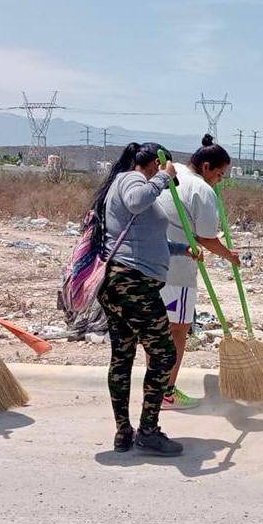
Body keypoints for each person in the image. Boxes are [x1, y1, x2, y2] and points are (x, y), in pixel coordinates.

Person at [94, 142, 201, 456]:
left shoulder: (129, 182)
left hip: (122, 282)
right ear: (157, 161)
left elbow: (144, 240)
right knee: (165, 354)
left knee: (123, 355)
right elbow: (137, 201)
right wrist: (163, 178)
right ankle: (148, 431)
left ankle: (124, 432)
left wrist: (182, 249)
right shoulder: (132, 180)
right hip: (132, 284)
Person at [155, 134, 240, 410]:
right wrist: (230, 255)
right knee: (178, 331)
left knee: (159, 332)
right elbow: (205, 238)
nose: (220, 180)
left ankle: (154, 388)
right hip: (178, 273)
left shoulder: (170, 171)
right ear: (206, 167)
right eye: (220, 173)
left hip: (151, 265)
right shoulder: (202, 190)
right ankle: (166, 392)